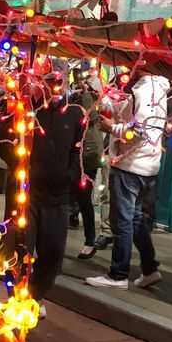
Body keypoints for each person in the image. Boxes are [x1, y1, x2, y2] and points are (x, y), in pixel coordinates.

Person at [85, 68, 171, 290]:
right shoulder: (156, 89)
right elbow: (126, 113)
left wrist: (112, 128)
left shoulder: (145, 91)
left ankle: (118, 275)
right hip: (146, 166)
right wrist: (103, 101)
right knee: (135, 220)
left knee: (122, 221)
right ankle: (150, 268)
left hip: (130, 164)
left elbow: (142, 129)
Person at [26, 78, 82, 308]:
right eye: (50, 83)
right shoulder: (30, 111)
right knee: (22, 250)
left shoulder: (75, 114)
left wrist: (70, 176)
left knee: (53, 253)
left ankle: (35, 294)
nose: (55, 88)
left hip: (58, 196)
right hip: (29, 193)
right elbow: (6, 139)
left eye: (59, 82)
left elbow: (80, 150)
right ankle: (19, 296)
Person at [68, 67, 104, 258]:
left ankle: (90, 241)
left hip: (87, 155)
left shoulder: (90, 97)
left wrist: (85, 92)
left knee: (84, 199)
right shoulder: (72, 94)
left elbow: (91, 116)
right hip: (72, 153)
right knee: (69, 196)